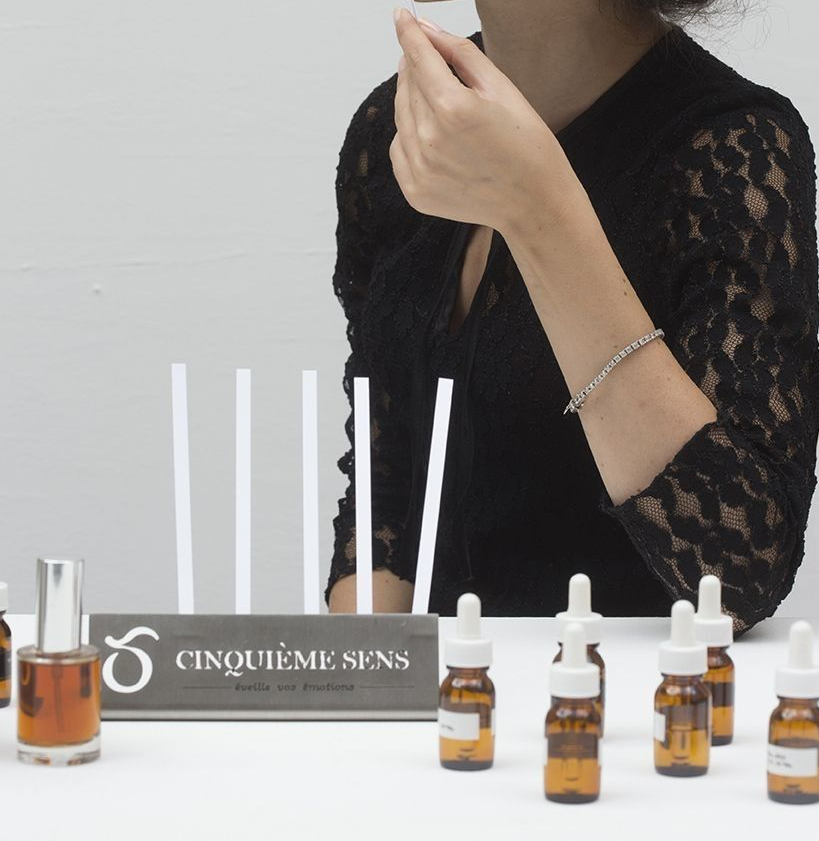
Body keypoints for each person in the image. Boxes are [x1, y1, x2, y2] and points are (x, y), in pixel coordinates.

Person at [325, 0, 819, 635]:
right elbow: (387, 484)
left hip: (632, 690)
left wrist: (538, 212)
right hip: (453, 689)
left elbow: (737, 572)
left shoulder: (734, 147)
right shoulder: (400, 131)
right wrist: (358, 673)